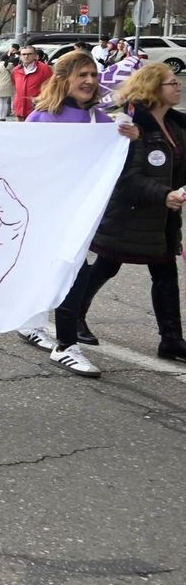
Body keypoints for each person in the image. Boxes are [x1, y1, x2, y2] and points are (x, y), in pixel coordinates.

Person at [47, 63, 186, 376]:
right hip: (128, 214)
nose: (178, 87)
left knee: (165, 273)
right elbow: (128, 177)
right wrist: (163, 193)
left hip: (162, 218)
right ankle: (72, 324)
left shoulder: (177, 126)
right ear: (153, 89)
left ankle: (171, 340)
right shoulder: (132, 126)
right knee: (103, 266)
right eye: (171, 83)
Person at [15, 51, 138, 350]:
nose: (89, 80)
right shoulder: (43, 117)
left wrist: (131, 140)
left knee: (64, 270)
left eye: (93, 75)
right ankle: (65, 344)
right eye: (82, 74)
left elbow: (115, 167)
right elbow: (22, 161)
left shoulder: (100, 119)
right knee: (69, 270)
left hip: (82, 212)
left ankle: (36, 326)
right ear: (64, 78)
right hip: (47, 210)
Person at [10, 46, 50, 121]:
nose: (26, 56)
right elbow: (16, 87)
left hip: (37, 109)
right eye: (23, 54)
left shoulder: (44, 69)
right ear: (20, 56)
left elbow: (50, 87)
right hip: (20, 109)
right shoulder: (16, 70)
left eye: (29, 54)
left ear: (35, 56)